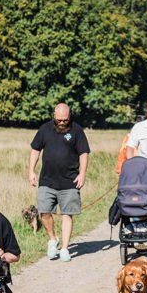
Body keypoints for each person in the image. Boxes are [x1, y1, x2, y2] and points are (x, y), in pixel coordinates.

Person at [28, 103, 90, 262]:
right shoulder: (44, 129)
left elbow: (83, 153)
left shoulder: (77, 130)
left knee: (67, 214)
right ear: (54, 115)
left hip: (69, 181)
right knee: (44, 212)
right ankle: (52, 239)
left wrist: (82, 173)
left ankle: (64, 248)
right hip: (47, 180)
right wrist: (31, 171)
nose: (62, 122)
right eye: (59, 119)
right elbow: (35, 150)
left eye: (65, 120)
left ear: (70, 116)